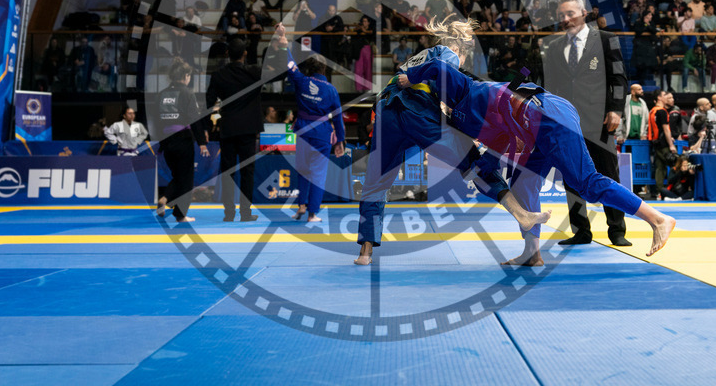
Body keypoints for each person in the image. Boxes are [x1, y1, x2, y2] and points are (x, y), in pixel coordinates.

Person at [398, 59, 676, 260]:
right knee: (521, 185)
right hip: (532, 130)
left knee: (587, 183)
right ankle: (532, 254)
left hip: (548, 116)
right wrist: (483, 165)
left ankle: (657, 219)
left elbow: (438, 66)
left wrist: (410, 77)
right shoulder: (460, 118)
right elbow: (501, 139)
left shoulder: (466, 89)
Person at [355, 15, 512, 266]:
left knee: (376, 182)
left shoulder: (416, 58)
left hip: (386, 113)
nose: (461, 64)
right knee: (469, 158)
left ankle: (365, 253)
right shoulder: (447, 52)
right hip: (416, 113)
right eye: (463, 59)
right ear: (459, 49)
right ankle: (519, 211)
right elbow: (446, 81)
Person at [542, 0, 631, 247]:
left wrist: (616, 109)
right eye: (561, 16)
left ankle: (617, 229)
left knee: (609, 174)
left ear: (583, 13)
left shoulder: (605, 40)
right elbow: (552, 85)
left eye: (570, 13)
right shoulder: (554, 47)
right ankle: (581, 231)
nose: (566, 19)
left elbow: (618, 78)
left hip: (600, 119)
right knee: (570, 176)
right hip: (566, 122)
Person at [275, 25, 346, 223]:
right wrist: (340, 139)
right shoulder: (331, 90)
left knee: (303, 170)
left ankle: (301, 206)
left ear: (310, 69)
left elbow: (290, 66)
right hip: (321, 135)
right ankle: (312, 213)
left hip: (303, 132)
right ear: (324, 69)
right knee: (318, 174)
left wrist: (284, 44)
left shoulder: (301, 80)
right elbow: (338, 118)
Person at [205, 40, 266, 222]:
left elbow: (208, 103)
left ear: (227, 54)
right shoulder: (254, 72)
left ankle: (229, 213)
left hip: (229, 128)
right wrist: (281, 46)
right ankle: (246, 214)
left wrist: (210, 124)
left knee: (228, 172)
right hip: (248, 129)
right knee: (247, 173)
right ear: (245, 53)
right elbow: (279, 73)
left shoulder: (219, 75)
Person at [156, 58, 209, 222]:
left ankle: (164, 199)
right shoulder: (187, 93)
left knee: (178, 176)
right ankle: (180, 215)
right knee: (186, 179)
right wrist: (201, 143)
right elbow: (194, 119)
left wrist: (162, 144)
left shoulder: (162, 93)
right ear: (186, 75)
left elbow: (157, 120)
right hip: (182, 141)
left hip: (167, 141)